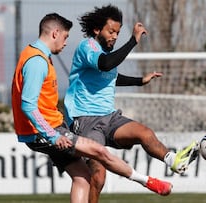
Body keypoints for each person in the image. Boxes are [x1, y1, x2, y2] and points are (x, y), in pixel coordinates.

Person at [11, 13, 173, 203]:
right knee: (100, 152)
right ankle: (147, 181)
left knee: (83, 178)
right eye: (65, 37)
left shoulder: (36, 55)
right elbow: (28, 105)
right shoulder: (37, 61)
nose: (65, 43)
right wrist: (53, 136)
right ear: (55, 33)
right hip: (46, 132)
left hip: (51, 128)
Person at [64, 5, 199, 203]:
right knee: (99, 176)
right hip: (84, 121)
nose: (114, 36)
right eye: (111, 31)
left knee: (144, 133)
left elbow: (110, 77)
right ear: (96, 30)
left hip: (109, 117)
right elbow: (105, 65)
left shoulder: (106, 54)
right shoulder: (88, 47)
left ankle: (174, 160)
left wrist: (139, 81)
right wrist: (133, 41)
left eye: (118, 33)